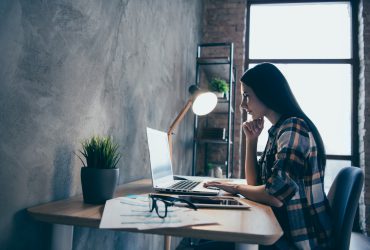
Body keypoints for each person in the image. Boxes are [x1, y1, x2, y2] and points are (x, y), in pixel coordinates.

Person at [204, 63, 332, 250]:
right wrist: (251, 140)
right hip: (283, 232)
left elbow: (273, 195)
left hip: (299, 242)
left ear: (266, 92)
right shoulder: (279, 131)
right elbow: (254, 184)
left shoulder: (293, 128)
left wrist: (234, 187)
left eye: (247, 95)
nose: (242, 104)